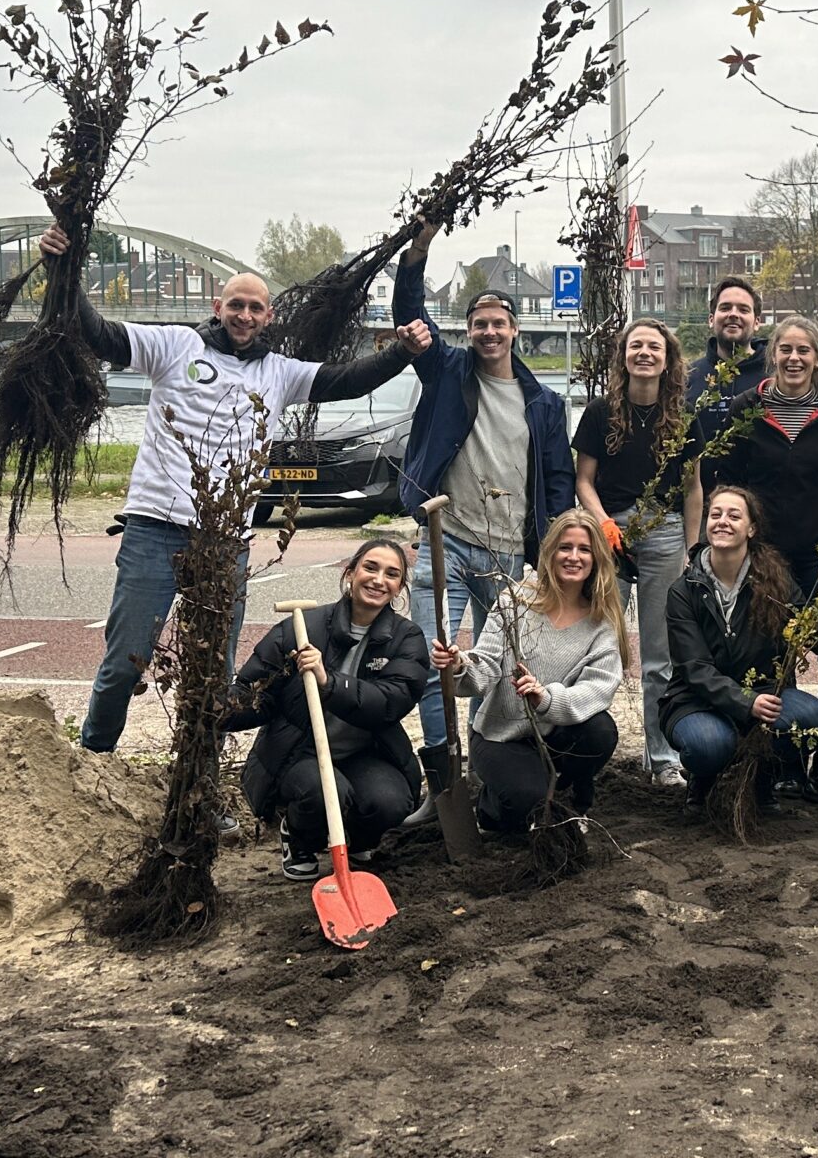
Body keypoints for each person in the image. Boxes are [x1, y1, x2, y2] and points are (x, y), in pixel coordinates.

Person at [34, 221, 431, 755]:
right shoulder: (175, 346)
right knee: (127, 657)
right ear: (219, 307)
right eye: (236, 305)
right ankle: (92, 754)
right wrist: (62, 270)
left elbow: (346, 380)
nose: (245, 316)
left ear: (268, 317)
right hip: (155, 529)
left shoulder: (278, 372)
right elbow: (98, 332)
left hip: (225, 542)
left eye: (256, 308)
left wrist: (401, 352)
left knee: (214, 674)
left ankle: (196, 779)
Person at [392, 221, 576, 756]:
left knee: (495, 668)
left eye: (498, 323)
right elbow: (411, 317)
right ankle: (444, 770)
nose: (489, 332)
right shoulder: (446, 371)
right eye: (479, 324)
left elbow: (558, 477)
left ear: (514, 330)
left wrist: (558, 542)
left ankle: (486, 762)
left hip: (509, 556)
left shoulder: (544, 403)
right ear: (467, 330)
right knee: (437, 663)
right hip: (446, 542)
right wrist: (417, 252)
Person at [696, 312, 818, 788]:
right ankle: (782, 767)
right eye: (785, 350)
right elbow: (726, 482)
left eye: (803, 350)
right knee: (774, 661)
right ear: (774, 356)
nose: (794, 358)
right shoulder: (748, 408)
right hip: (764, 557)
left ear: (817, 358)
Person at [225, 538, 432, 880]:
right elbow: (256, 692)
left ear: (399, 588)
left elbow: (392, 701)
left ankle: (359, 839)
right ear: (350, 574)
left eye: (392, 574)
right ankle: (300, 838)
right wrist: (212, 710)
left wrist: (328, 682)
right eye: (370, 568)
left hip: (367, 752)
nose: (379, 579)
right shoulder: (301, 628)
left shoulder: (405, 638)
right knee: (325, 794)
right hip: (300, 751)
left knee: (390, 803)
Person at [432, 508, 625, 836]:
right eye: (565, 547)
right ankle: (493, 805)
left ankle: (573, 801)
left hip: (556, 735)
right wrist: (459, 665)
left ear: (597, 559)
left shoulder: (601, 621)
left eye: (584, 549)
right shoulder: (514, 602)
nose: (573, 557)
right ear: (550, 552)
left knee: (600, 731)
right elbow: (487, 666)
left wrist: (546, 698)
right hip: (501, 737)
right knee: (524, 805)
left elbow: (598, 688)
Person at [573, 318, 697, 786]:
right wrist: (602, 522)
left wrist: (692, 547)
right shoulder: (601, 412)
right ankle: (586, 751)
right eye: (636, 346)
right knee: (597, 643)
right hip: (612, 532)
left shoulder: (684, 417)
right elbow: (583, 479)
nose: (645, 353)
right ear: (624, 355)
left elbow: (693, 490)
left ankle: (661, 757)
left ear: (668, 360)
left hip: (664, 532)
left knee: (659, 656)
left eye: (654, 347)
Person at [662, 484, 818, 811]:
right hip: (696, 701)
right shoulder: (684, 591)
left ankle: (761, 777)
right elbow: (694, 668)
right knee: (708, 744)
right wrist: (746, 702)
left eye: (734, 515)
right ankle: (704, 778)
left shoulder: (776, 582)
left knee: (814, 719)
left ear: (751, 528)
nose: (722, 521)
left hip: (763, 691)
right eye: (715, 514)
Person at [683, 276, 768, 432]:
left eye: (743, 309)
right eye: (725, 308)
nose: (733, 314)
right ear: (711, 319)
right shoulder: (687, 377)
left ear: (757, 322)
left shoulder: (774, 377)